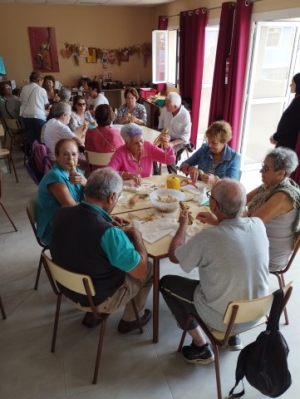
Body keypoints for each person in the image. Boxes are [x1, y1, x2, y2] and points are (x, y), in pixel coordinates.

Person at [160, 179, 269, 364]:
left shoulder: (209, 237)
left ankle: (200, 346)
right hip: (257, 311)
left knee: (166, 283)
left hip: (224, 317)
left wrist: (183, 225)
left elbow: (174, 256)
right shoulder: (258, 224)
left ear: (215, 206)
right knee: (234, 274)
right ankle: (233, 336)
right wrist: (218, 222)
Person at [50, 167, 153, 331]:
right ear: (111, 196)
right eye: (117, 197)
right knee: (149, 269)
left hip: (66, 289)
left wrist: (106, 220)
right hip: (98, 298)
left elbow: (82, 230)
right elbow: (140, 271)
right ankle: (132, 318)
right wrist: (137, 237)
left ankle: (91, 314)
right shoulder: (108, 233)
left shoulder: (62, 212)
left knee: (91, 256)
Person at [246, 147, 300, 271]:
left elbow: (250, 224)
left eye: (265, 168)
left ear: (280, 173)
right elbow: (240, 200)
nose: (261, 171)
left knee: (219, 244)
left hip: (269, 255)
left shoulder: (283, 197)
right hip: (258, 242)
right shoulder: (271, 184)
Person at [36, 138, 86, 246]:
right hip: (55, 229)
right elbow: (72, 208)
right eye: (65, 154)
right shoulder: (55, 177)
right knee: (99, 235)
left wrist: (85, 182)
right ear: (57, 157)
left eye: (74, 154)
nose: (70, 159)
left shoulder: (76, 171)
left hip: (73, 219)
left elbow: (92, 193)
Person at [108, 123, 175, 184]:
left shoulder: (148, 146)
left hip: (147, 186)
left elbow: (170, 160)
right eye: (136, 143)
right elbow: (109, 173)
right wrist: (127, 175)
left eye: (141, 141)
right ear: (127, 144)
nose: (140, 145)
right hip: (128, 188)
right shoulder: (120, 152)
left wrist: (167, 147)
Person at [180, 120, 241, 184]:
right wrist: (189, 168)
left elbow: (233, 185)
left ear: (224, 142)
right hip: (200, 190)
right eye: (208, 141)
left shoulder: (234, 157)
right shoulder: (204, 149)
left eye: (214, 143)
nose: (209, 145)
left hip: (219, 193)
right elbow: (182, 165)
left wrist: (215, 181)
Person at [155, 92, 191, 174]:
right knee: (150, 148)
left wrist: (172, 143)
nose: (165, 106)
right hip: (166, 136)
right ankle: (155, 173)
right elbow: (161, 121)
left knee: (169, 154)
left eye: (168, 105)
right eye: (166, 103)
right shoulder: (166, 109)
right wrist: (162, 133)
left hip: (179, 140)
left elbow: (186, 136)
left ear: (175, 107)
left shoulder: (185, 115)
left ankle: (173, 176)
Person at [85, 104, 124, 171]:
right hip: (114, 170)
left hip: (95, 171)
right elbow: (123, 150)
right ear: (111, 117)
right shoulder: (116, 133)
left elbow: (86, 148)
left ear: (96, 116)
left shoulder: (89, 133)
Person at [270, 73, 300, 150]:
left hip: (288, 144)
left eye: (292, 83)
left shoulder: (298, 102)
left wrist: (276, 136)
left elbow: (288, 123)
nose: (290, 85)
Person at [20, 71, 49, 146]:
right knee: (41, 139)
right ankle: (41, 155)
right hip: (38, 116)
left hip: (26, 115)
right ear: (39, 80)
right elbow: (46, 105)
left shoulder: (24, 88)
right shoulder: (42, 90)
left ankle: (34, 155)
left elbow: (21, 100)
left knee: (32, 139)